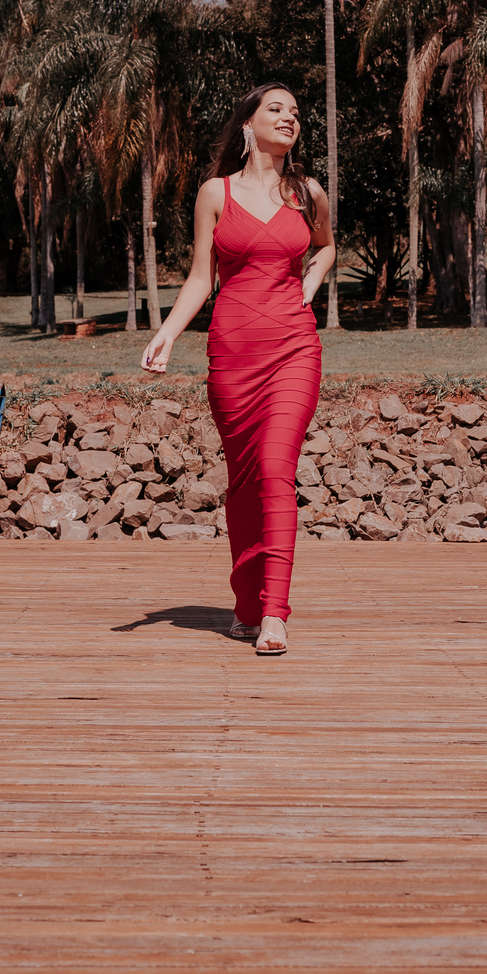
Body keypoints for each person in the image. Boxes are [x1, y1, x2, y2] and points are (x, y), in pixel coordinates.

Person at [141, 83, 335, 656]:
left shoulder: (309, 192)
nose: (289, 118)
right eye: (276, 109)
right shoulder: (215, 193)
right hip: (232, 354)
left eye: (296, 112)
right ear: (247, 124)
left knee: (276, 470)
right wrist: (167, 334)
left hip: (294, 349)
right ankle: (247, 605)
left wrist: (309, 286)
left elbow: (324, 249)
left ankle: (275, 612)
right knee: (245, 484)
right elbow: (202, 277)